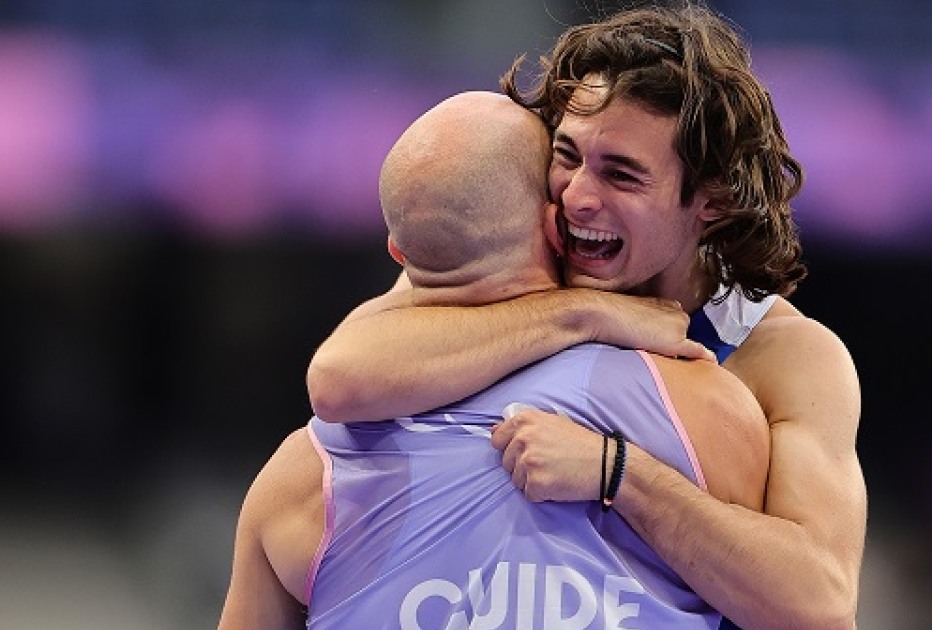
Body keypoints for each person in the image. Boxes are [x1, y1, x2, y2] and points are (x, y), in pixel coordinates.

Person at [307, 4, 866, 630]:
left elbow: (818, 603)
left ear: (712, 199)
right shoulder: (512, 261)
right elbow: (339, 379)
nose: (576, 197)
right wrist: (583, 313)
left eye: (621, 175)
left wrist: (617, 470)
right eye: (567, 155)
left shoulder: (784, 356)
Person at [218, 91, 770, 629]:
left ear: (398, 254)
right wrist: (618, 465)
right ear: (557, 226)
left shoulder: (300, 478)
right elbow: (787, 606)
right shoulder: (700, 406)